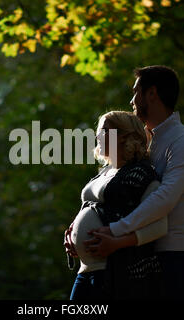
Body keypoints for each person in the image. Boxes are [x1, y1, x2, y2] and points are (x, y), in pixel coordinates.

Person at [85, 65, 184, 300]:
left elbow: (165, 199)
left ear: (152, 94)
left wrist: (115, 230)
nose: (131, 100)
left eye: (136, 92)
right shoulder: (143, 141)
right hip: (139, 253)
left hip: (174, 255)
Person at [64, 111, 168, 300]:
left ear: (124, 137)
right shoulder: (103, 173)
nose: (97, 136)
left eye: (104, 131)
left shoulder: (142, 175)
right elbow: (92, 210)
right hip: (85, 270)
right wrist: (73, 236)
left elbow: (160, 226)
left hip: (113, 272)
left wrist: (117, 242)